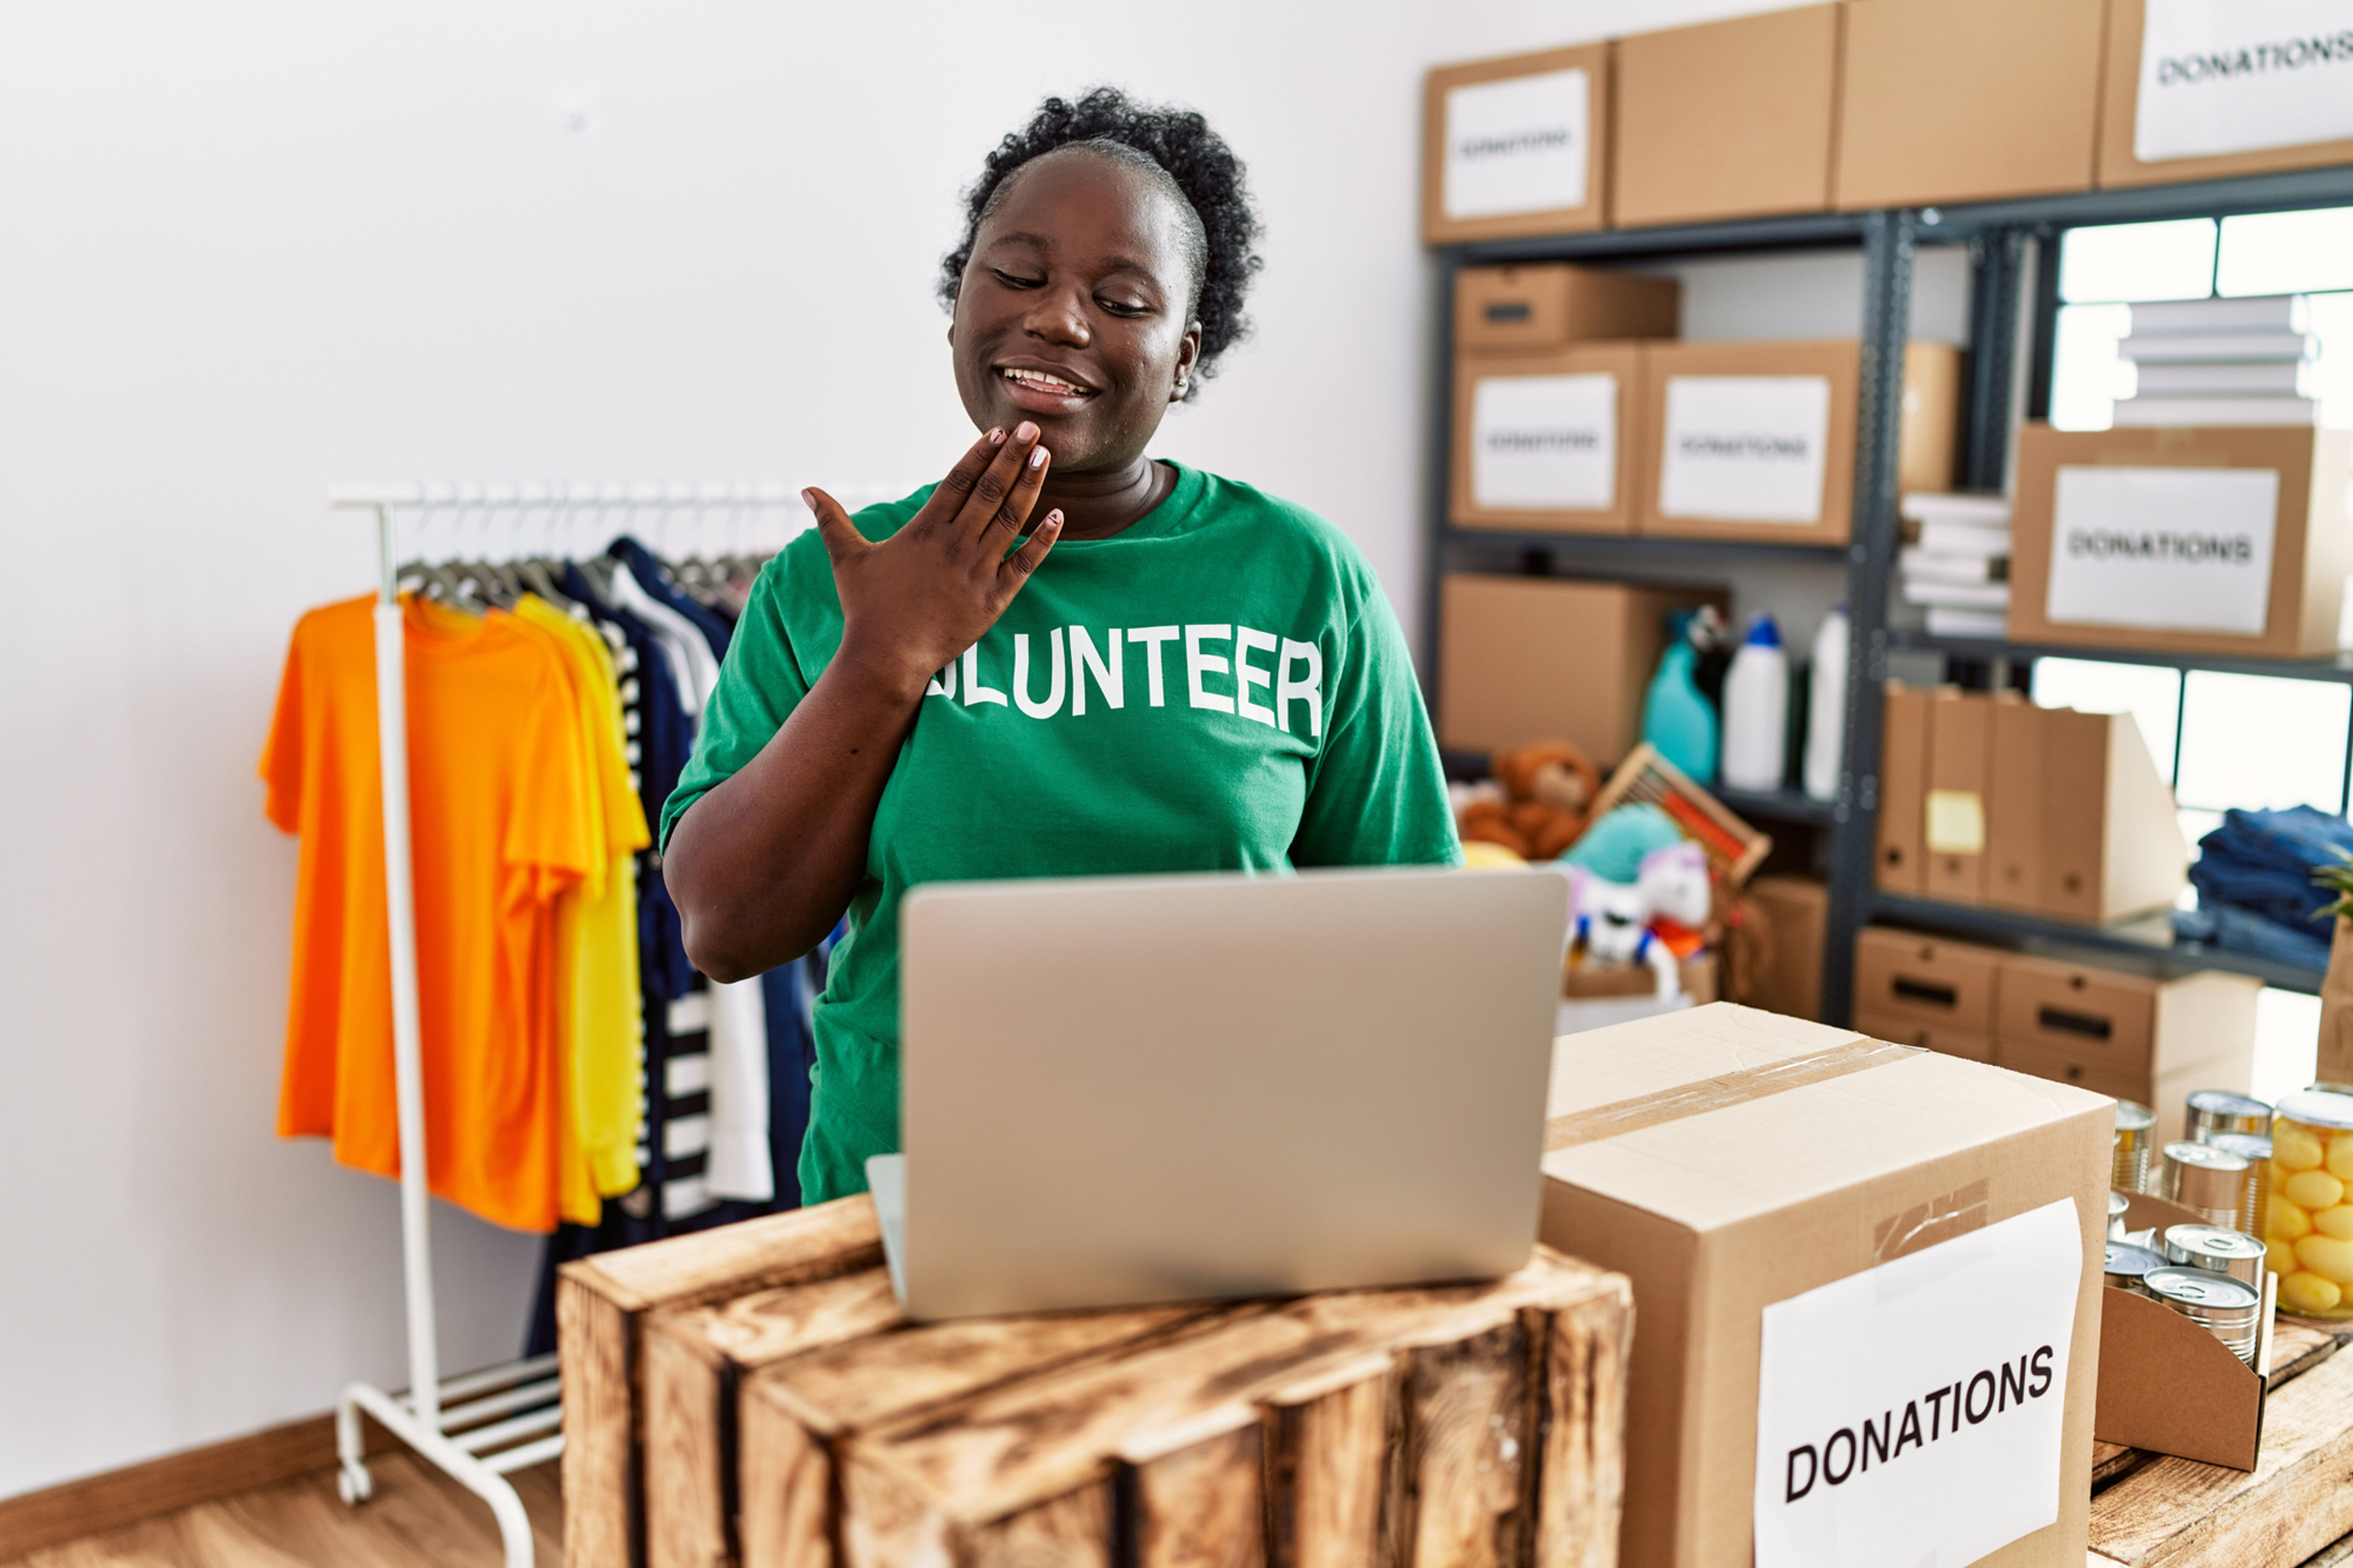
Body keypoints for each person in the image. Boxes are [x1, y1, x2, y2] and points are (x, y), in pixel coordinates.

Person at [662, 88, 1459, 1205]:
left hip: (1224, 1195)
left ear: (1183, 356)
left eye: (1119, 297)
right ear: (958, 307)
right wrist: (883, 656)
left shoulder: (1302, 580)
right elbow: (726, 926)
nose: (1060, 320)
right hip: (900, 1201)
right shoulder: (832, 580)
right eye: (1019, 277)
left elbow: (1408, 949)